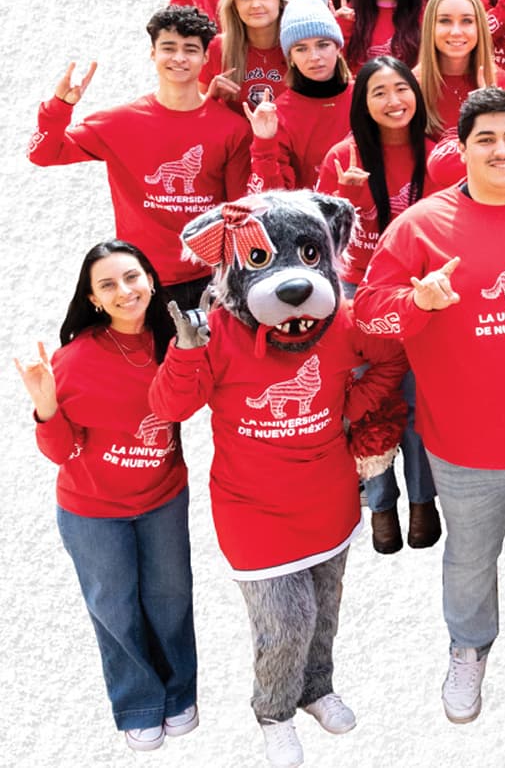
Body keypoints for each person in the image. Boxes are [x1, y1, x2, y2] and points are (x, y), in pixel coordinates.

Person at [356, 87, 505, 717]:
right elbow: (369, 316)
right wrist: (418, 303)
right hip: (465, 445)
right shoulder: (420, 227)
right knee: (470, 559)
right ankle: (468, 650)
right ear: (460, 149)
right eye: (485, 139)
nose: (501, 150)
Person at [149, 206, 406, 766]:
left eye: (310, 256)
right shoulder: (216, 329)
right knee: (286, 620)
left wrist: (348, 409)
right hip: (253, 508)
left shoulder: (341, 321)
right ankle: (274, 710)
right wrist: (185, 352)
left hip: (327, 496)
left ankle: (316, 688)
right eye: (263, 259)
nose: (292, 278)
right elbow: (171, 406)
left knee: (325, 609)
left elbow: (391, 360)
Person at [19, 241, 195, 752]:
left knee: (170, 600)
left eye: (132, 277)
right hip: (93, 511)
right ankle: (139, 703)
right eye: (108, 285)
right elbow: (61, 452)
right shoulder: (74, 360)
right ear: (93, 299)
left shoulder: (175, 342)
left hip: (163, 498)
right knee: (115, 609)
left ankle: (180, 694)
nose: (125, 291)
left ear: (151, 281)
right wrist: (47, 405)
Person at [30, 7, 250, 311]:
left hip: (211, 281)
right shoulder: (119, 123)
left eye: (190, 49)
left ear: (205, 58)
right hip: (144, 283)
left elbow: (237, 210)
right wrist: (58, 107)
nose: (179, 58)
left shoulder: (232, 128)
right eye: (168, 48)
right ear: (152, 53)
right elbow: (43, 154)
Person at [318, 56, 441, 553]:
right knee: (369, 404)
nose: (393, 102)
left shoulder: (433, 154)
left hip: (419, 293)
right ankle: (382, 503)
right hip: (356, 296)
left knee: (419, 402)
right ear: (362, 104)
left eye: (401, 89)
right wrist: (338, 196)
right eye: (379, 93)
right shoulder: (343, 156)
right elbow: (316, 239)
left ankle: (422, 502)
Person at [246, 0, 354, 192]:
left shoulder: (364, 97)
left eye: (323, 45)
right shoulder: (280, 114)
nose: (314, 57)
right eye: (301, 49)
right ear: (291, 58)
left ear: (338, 47)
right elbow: (274, 198)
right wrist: (264, 142)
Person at [414, 0, 505, 138]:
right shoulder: (412, 85)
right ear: (431, 27)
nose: (456, 32)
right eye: (445, 21)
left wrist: (492, 113)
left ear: (479, 27)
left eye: (467, 21)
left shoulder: (502, 82)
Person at [204, 0, 293, 107]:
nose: (256, 4)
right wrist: (211, 98)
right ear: (234, 5)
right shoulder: (217, 48)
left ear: (280, 0)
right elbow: (195, 114)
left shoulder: (301, 47)